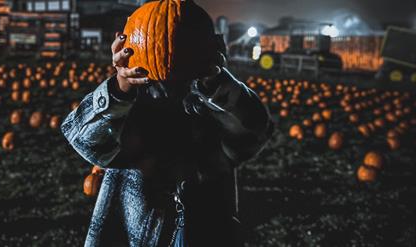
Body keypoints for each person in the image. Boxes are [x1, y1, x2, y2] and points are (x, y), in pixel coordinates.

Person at [61, 1, 273, 246]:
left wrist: (216, 82)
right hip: (133, 233)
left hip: (202, 230)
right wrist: (120, 88)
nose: (168, 43)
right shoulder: (127, 105)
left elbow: (255, 133)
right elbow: (85, 142)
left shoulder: (212, 104)